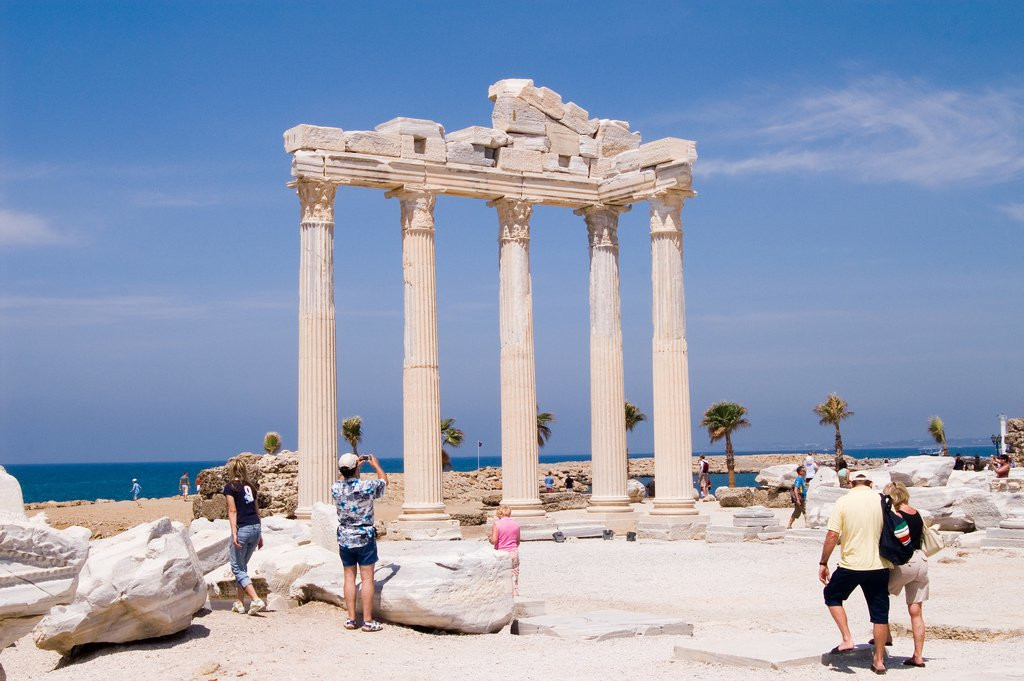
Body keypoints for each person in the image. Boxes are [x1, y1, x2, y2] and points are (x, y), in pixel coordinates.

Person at [818, 470, 891, 675]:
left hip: (851, 563)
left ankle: (847, 638)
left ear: (850, 483)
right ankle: (878, 661)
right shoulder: (882, 500)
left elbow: (833, 534)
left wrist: (823, 562)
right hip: (880, 563)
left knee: (832, 595)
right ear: (870, 483)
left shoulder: (843, 501)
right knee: (879, 613)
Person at [332, 452, 387, 632]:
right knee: (367, 578)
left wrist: (352, 467)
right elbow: (384, 481)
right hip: (364, 535)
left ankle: (350, 619)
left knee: (349, 577)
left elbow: (343, 478)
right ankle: (368, 621)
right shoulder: (366, 487)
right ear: (356, 468)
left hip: (344, 536)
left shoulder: (336, 488)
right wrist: (375, 465)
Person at [882, 481, 928, 668]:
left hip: (904, 562)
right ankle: (918, 656)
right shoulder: (916, 513)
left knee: (878, 594)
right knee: (916, 611)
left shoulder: (895, 516)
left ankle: (884, 635)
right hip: (921, 561)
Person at [223, 458, 265, 615]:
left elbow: (232, 511)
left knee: (236, 567)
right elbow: (256, 510)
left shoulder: (230, 487)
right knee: (242, 567)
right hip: (255, 527)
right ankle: (240, 602)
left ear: (231, 470)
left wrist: (234, 533)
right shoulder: (251, 487)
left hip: (243, 528)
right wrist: (259, 534)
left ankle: (255, 599)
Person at [489, 505, 521, 595]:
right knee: (514, 575)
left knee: (501, 575)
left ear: (499, 513)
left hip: (501, 553)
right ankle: (515, 592)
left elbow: (494, 540)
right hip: (513, 552)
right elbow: (518, 541)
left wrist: (489, 539)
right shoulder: (516, 524)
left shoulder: (497, 524)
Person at [787, 465, 808, 529]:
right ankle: (808, 525)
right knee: (806, 511)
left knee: (797, 512)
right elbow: (796, 490)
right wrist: (798, 499)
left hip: (802, 498)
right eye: (803, 470)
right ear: (800, 472)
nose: (805, 471)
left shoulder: (801, 479)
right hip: (800, 498)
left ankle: (789, 525)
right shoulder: (799, 479)